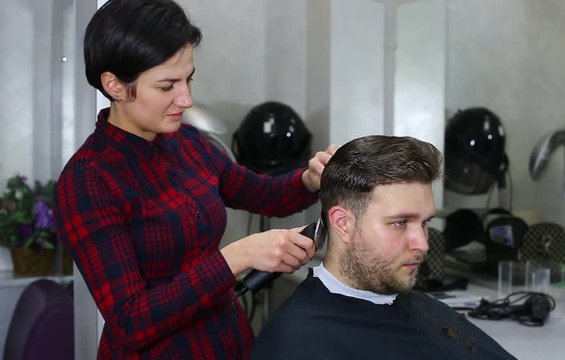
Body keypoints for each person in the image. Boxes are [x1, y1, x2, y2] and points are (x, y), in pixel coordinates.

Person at [53, 0, 335, 358]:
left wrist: (310, 180)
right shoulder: (88, 182)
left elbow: (262, 195)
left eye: (188, 79)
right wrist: (237, 256)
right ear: (116, 86)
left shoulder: (187, 143)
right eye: (167, 85)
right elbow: (130, 321)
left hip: (227, 342)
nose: (186, 98)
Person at [252, 135, 517, 360]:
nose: (423, 244)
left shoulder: (421, 308)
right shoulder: (298, 339)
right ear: (342, 223)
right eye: (400, 222)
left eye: (425, 222)